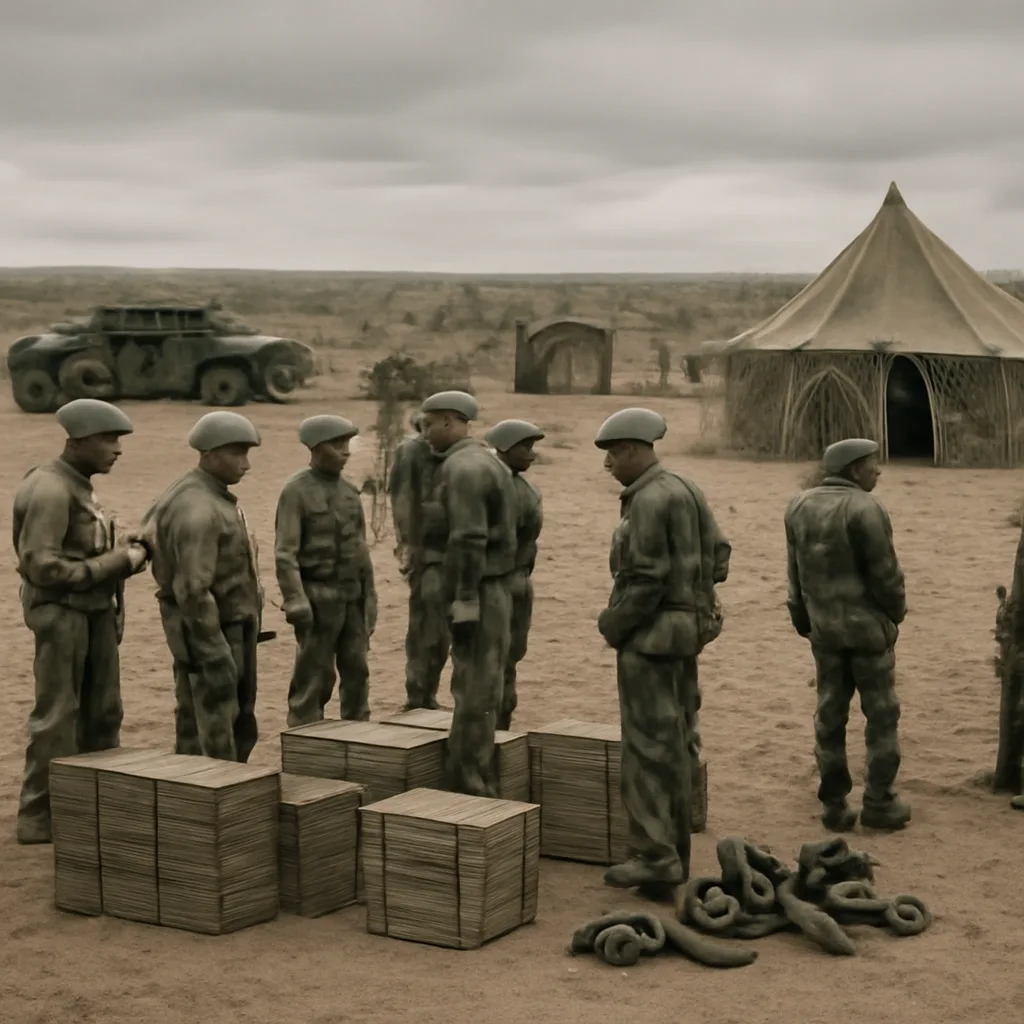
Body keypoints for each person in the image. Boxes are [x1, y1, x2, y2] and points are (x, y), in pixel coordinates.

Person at [595, 407, 730, 892]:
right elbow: (720, 556)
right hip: (684, 634)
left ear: (634, 450)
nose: (608, 465)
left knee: (647, 750)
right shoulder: (685, 487)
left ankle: (655, 857)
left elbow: (645, 579)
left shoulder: (649, 499)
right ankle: (673, 854)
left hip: (650, 639)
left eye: (614, 455)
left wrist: (614, 625)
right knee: (675, 743)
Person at [13, 398, 150, 844]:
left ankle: (93, 806)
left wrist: (122, 545)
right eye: (108, 439)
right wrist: (117, 562)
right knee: (58, 715)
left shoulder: (78, 483)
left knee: (103, 712)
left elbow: (83, 541)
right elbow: (43, 566)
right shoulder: (51, 489)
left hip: (92, 612)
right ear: (77, 441)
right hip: (63, 613)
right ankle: (39, 814)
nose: (118, 449)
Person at [784, 437, 910, 832]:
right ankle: (879, 801)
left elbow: (794, 574)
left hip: (824, 631)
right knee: (882, 714)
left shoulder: (799, 505)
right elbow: (886, 575)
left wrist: (803, 620)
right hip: (867, 632)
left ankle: (834, 804)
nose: (878, 470)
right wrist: (895, 614)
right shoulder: (866, 508)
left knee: (829, 714)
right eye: (872, 464)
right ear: (854, 469)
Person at [141, 411, 264, 763]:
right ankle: (219, 789)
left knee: (212, 719)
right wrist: (214, 651)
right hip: (212, 630)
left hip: (226, 627)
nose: (246, 464)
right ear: (209, 454)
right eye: (237, 454)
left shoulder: (207, 494)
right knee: (217, 724)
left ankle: (199, 783)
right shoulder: (197, 506)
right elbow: (193, 589)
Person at [420, 390, 517, 796]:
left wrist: (464, 598)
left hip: (478, 590)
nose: (425, 433)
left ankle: (469, 786)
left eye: (429, 424)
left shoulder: (463, 468)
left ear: (449, 421)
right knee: (484, 688)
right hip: (494, 588)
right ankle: (477, 777)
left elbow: (469, 538)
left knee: (473, 691)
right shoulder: (486, 461)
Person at [275, 415, 377, 726]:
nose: (345, 451)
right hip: (317, 596)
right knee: (315, 671)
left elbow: (361, 551)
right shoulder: (296, 491)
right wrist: (295, 599)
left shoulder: (349, 492)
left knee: (357, 667)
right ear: (316, 447)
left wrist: (369, 599)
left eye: (347, 444)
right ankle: (305, 730)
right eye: (337, 445)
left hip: (352, 596)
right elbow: (285, 554)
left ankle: (358, 731)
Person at [484, 419, 545, 731]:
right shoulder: (485, 487)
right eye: (525, 447)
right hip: (493, 584)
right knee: (487, 663)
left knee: (511, 659)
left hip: (520, 582)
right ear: (505, 447)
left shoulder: (528, 489)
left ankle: (502, 727)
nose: (532, 454)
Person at [389, 408, 450, 711]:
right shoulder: (410, 451)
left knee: (443, 633)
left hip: (452, 553)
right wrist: (408, 545)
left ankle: (429, 695)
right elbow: (402, 501)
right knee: (424, 628)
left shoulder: (455, 451)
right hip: (425, 552)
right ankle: (417, 697)